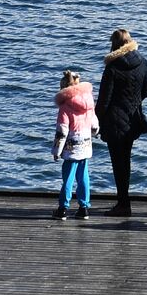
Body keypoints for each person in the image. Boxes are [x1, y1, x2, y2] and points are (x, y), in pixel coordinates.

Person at [95, 28, 147, 217]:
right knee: (125, 160)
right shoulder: (142, 62)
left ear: (114, 44)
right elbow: (146, 91)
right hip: (132, 120)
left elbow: (104, 99)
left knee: (118, 163)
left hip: (114, 121)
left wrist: (96, 120)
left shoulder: (112, 67)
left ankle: (123, 203)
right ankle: (123, 200)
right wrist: (133, 102)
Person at [52, 70, 98, 220]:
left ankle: (63, 208)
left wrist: (57, 151)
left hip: (71, 147)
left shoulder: (65, 107)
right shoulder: (88, 104)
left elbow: (61, 132)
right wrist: (91, 135)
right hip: (85, 145)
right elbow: (95, 126)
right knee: (83, 176)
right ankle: (84, 207)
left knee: (68, 178)